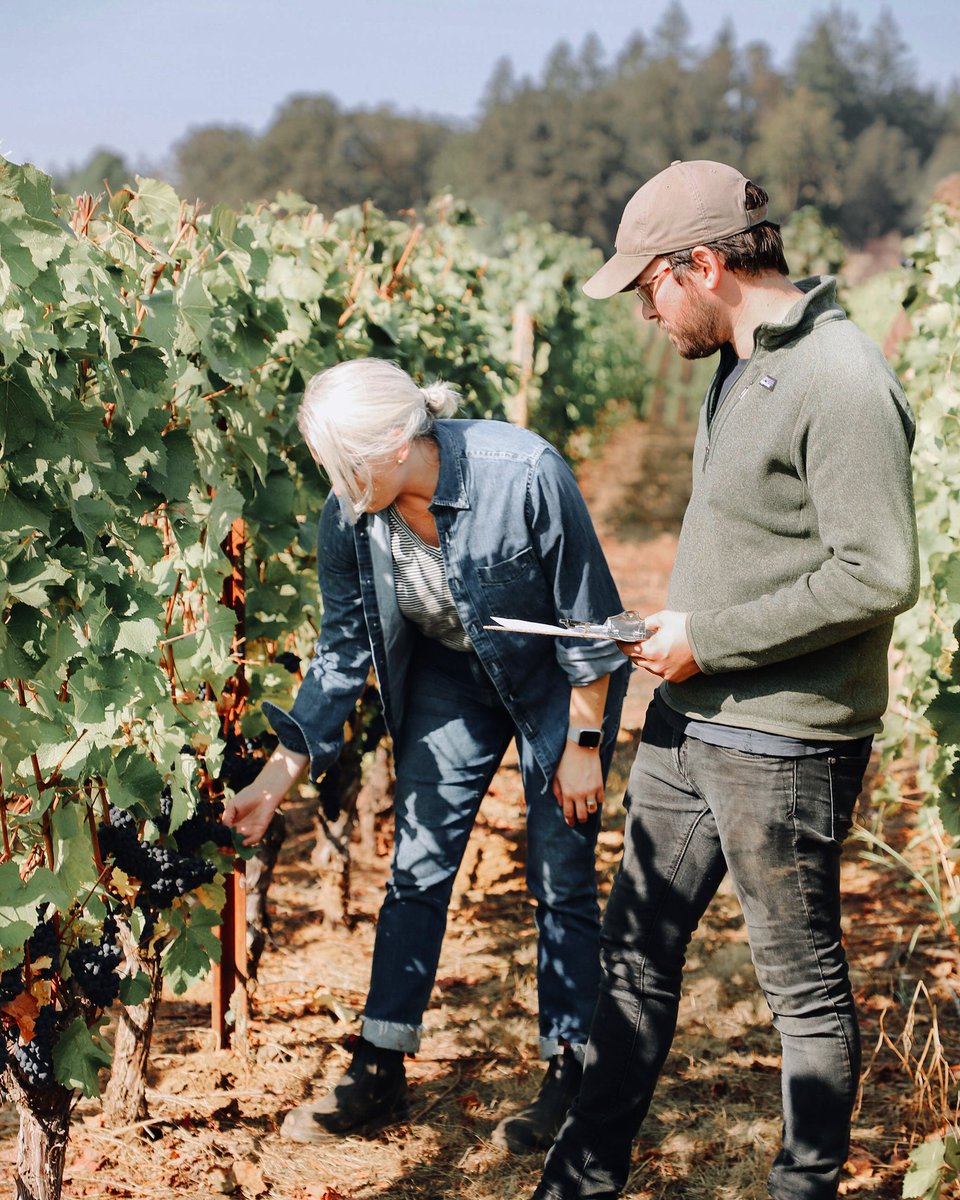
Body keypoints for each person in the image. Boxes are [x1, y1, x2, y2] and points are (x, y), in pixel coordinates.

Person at [531, 160, 920, 1200]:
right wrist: (680, 641)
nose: (647, 312)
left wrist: (709, 640)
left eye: (650, 287)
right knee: (633, 958)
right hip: (687, 725)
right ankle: (580, 1181)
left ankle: (804, 1187)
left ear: (703, 265)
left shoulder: (840, 378)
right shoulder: (742, 361)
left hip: (785, 740)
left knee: (801, 992)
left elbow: (878, 573)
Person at [223, 358, 630, 1151]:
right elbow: (341, 652)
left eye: (346, 466)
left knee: (561, 873)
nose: (338, 487)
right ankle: (380, 1065)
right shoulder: (351, 515)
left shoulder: (526, 473)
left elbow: (589, 625)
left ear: (396, 443)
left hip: (557, 684)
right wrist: (275, 779)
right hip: (451, 679)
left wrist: (583, 747)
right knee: (416, 869)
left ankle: (572, 1072)